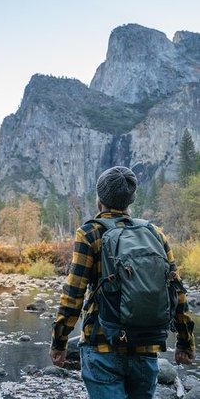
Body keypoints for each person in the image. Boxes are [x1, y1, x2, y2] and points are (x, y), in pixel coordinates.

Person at [50, 166, 196, 399]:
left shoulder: (89, 233)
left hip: (101, 345)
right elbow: (177, 291)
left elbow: (73, 294)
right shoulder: (156, 233)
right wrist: (185, 342)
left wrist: (59, 342)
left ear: (100, 202)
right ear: (131, 201)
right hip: (146, 346)